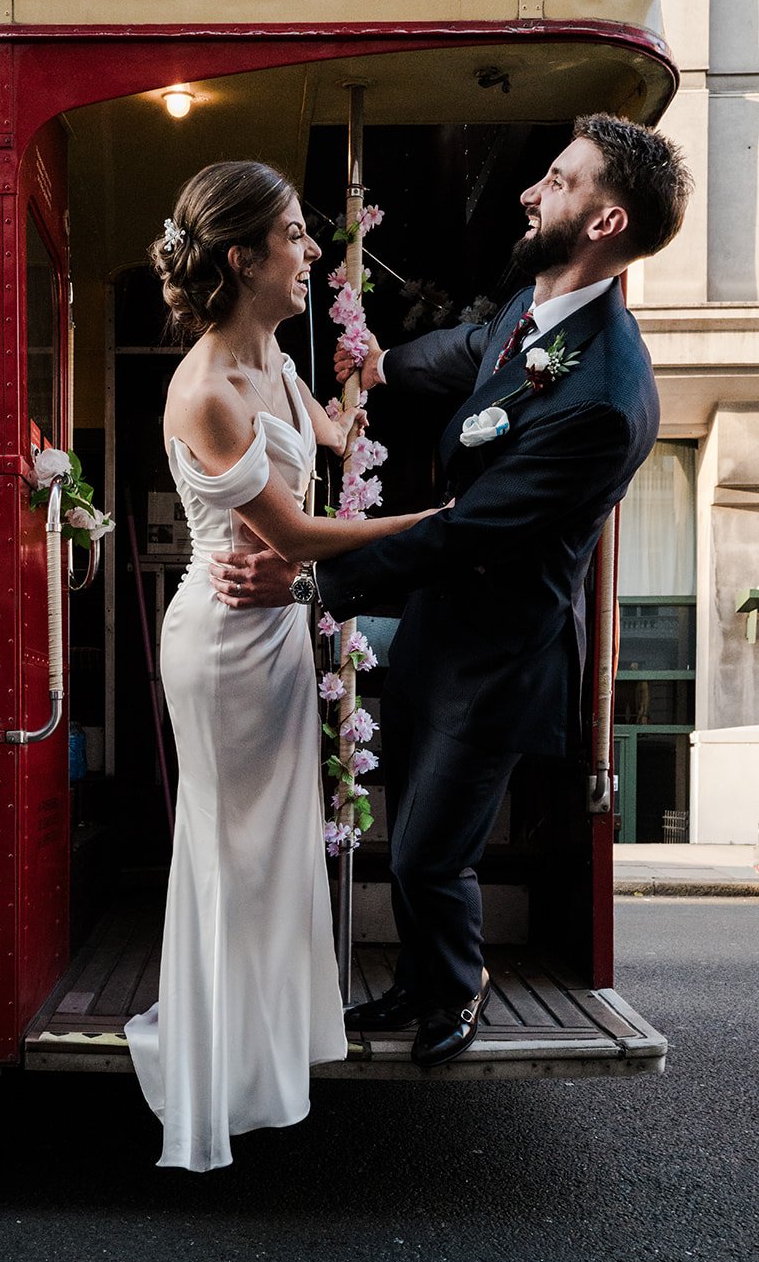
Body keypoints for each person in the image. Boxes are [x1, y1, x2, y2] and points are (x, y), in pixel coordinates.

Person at [209, 115, 692, 1069]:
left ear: (605, 222)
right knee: (411, 834)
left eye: (558, 181)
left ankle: (456, 990)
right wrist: (383, 364)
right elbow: (478, 347)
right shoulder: (539, 307)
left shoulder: (605, 397)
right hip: (439, 624)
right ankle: (423, 979)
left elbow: (467, 532)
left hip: (498, 658)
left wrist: (308, 579)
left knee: (433, 849)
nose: (530, 192)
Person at [124, 160, 443, 1170]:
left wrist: (365, 379)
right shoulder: (206, 389)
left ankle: (258, 1056)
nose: (312, 252)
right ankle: (217, 1075)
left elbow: (331, 435)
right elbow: (296, 534)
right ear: (240, 257)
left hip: (278, 633)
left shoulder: (277, 360)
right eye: (295, 235)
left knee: (274, 852)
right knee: (233, 854)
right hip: (222, 643)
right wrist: (435, 524)